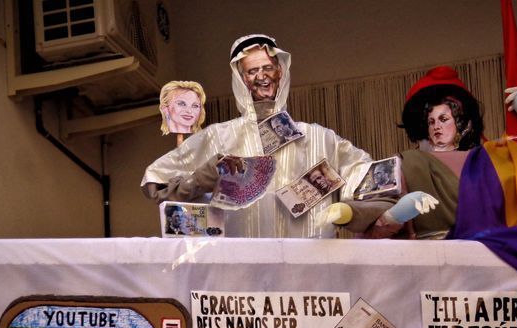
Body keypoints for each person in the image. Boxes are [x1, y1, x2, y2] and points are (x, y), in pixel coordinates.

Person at [142, 34, 372, 238]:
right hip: (241, 267)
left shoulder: (320, 139)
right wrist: (205, 176)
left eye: (268, 68)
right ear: (241, 79)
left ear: (280, 71)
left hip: (307, 266)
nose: (262, 76)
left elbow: (368, 175)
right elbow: (156, 182)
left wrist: (355, 212)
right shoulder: (217, 138)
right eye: (252, 71)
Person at [328, 66, 517, 240]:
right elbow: (367, 235)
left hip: (501, 270)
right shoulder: (402, 162)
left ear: (464, 121)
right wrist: (394, 216)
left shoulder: (499, 157)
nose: (436, 126)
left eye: (444, 118)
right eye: (430, 120)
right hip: (432, 278)